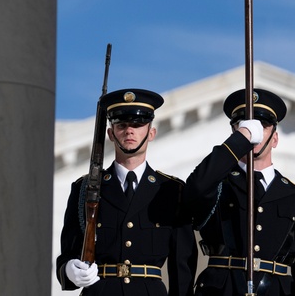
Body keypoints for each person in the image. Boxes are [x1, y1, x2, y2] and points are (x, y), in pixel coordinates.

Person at [56, 88, 198, 295]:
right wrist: (69, 270)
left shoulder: (171, 190)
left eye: (137, 124)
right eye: (121, 125)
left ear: (151, 133)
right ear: (111, 134)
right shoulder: (85, 189)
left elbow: (182, 264)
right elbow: (69, 250)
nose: (129, 131)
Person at [183, 88, 295, 296]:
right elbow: (196, 187)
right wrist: (241, 139)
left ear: (275, 138)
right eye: (245, 125)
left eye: (263, 126)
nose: (254, 132)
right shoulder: (218, 184)